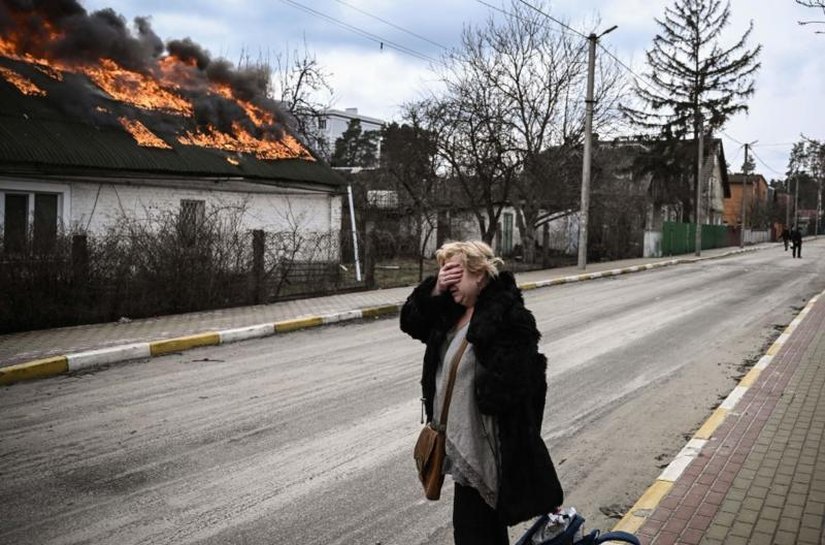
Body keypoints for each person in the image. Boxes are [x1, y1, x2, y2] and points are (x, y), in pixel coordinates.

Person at [400, 240, 563, 545]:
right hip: (460, 445)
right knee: (478, 532)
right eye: (443, 273)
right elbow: (410, 322)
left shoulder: (507, 318)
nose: (448, 282)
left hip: (486, 449)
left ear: (480, 274)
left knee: (476, 532)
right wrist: (435, 289)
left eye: (455, 273)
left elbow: (526, 388)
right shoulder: (450, 310)